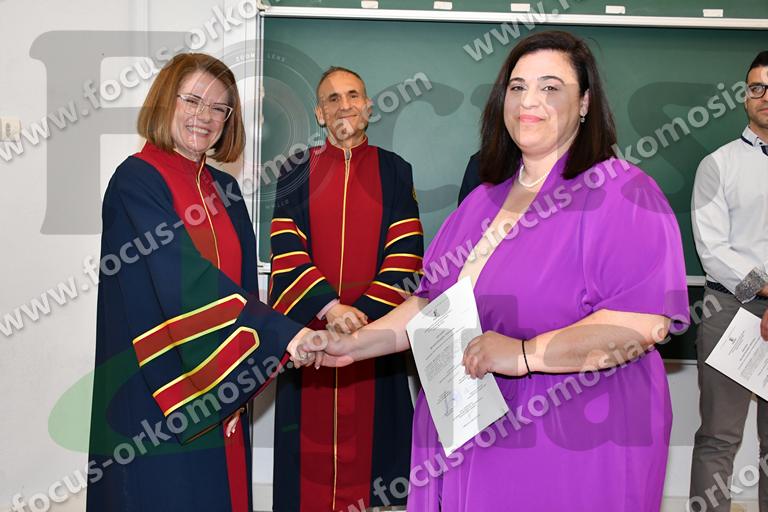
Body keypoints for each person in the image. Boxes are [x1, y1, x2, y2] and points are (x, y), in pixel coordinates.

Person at [303, 31, 691, 511]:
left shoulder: (623, 193)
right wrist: (354, 345)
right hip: (470, 427)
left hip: (573, 442)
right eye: (517, 87)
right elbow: (431, 306)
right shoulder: (483, 200)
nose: (529, 101)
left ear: (585, 103)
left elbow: (642, 325)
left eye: (550, 87)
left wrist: (524, 354)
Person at [86, 53, 312, 512]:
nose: (204, 116)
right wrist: (283, 334)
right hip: (156, 389)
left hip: (219, 386)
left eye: (218, 108)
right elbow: (181, 277)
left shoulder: (226, 191)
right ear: (165, 101)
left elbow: (242, 289)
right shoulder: (136, 181)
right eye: (192, 100)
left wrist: (247, 367)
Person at [269, 67, 423, 511]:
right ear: (320, 114)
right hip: (312, 338)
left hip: (375, 340)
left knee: (376, 476)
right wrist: (330, 308)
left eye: (353, 95)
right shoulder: (296, 170)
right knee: (305, 479)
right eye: (332, 99)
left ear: (368, 107)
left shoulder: (395, 171)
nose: (344, 106)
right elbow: (285, 246)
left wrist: (360, 319)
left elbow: (406, 252)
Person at [689, 51, 768, 512]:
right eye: (757, 87)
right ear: (745, 96)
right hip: (731, 309)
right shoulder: (717, 165)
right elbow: (713, 252)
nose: (765, 96)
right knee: (719, 436)